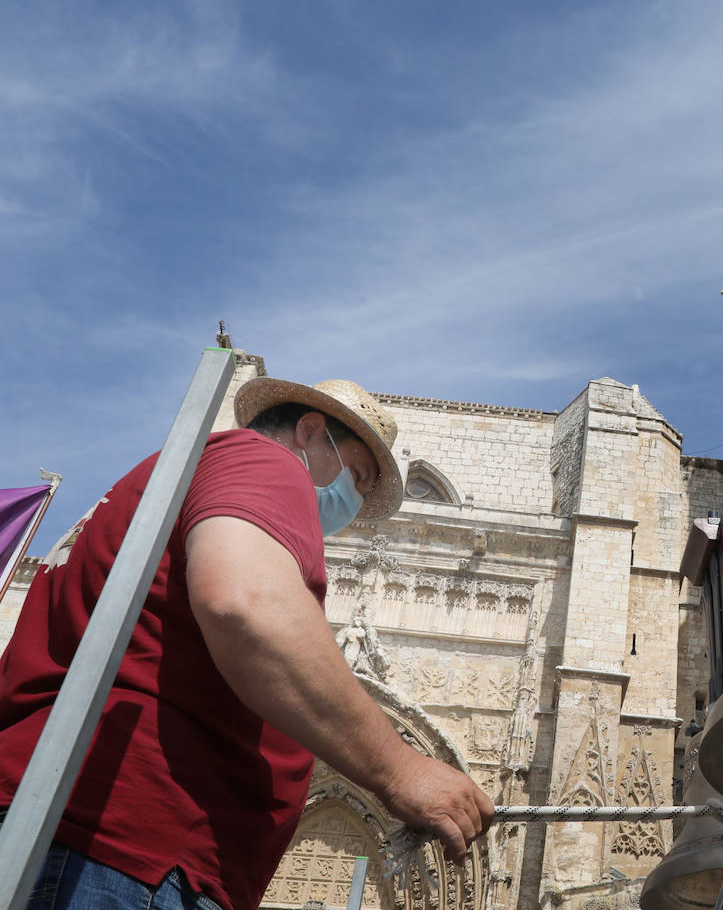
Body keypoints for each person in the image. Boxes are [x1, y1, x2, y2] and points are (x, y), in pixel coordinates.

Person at [0, 377, 494, 910]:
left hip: (79, 835)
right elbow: (245, 605)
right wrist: (402, 770)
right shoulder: (262, 459)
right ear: (309, 432)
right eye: (357, 475)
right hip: (123, 848)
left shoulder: (171, 479)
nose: (355, 499)